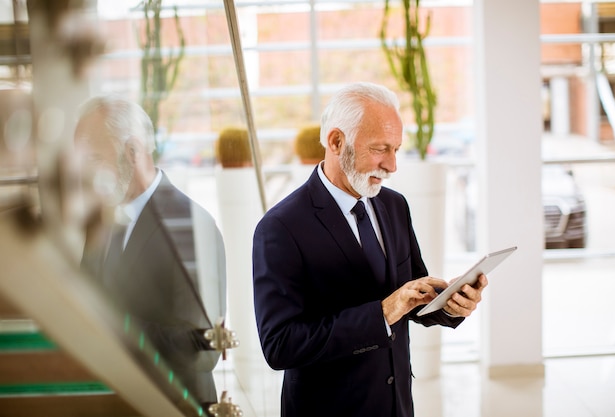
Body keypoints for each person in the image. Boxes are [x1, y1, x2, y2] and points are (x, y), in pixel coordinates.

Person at [252, 82, 488, 417]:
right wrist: (383, 312)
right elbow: (280, 345)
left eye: (396, 149)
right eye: (380, 149)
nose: (392, 166)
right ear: (336, 141)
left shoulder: (394, 206)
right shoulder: (280, 228)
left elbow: (413, 294)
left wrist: (451, 305)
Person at [75, 96, 226, 409]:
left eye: (92, 159)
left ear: (131, 152)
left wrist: (112, 325)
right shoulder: (100, 219)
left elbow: (203, 350)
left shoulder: (189, 224)